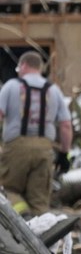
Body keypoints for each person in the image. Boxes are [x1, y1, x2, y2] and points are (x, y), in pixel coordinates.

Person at [0, 51, 72, 215]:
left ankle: (22, 214)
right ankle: (41, 236)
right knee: (39, 201)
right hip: (44, 149)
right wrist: (64, 154)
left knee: (8, 190)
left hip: (16, 148)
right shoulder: (54, 90)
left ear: (24, 65)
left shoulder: (11, 86)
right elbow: (66, 125)